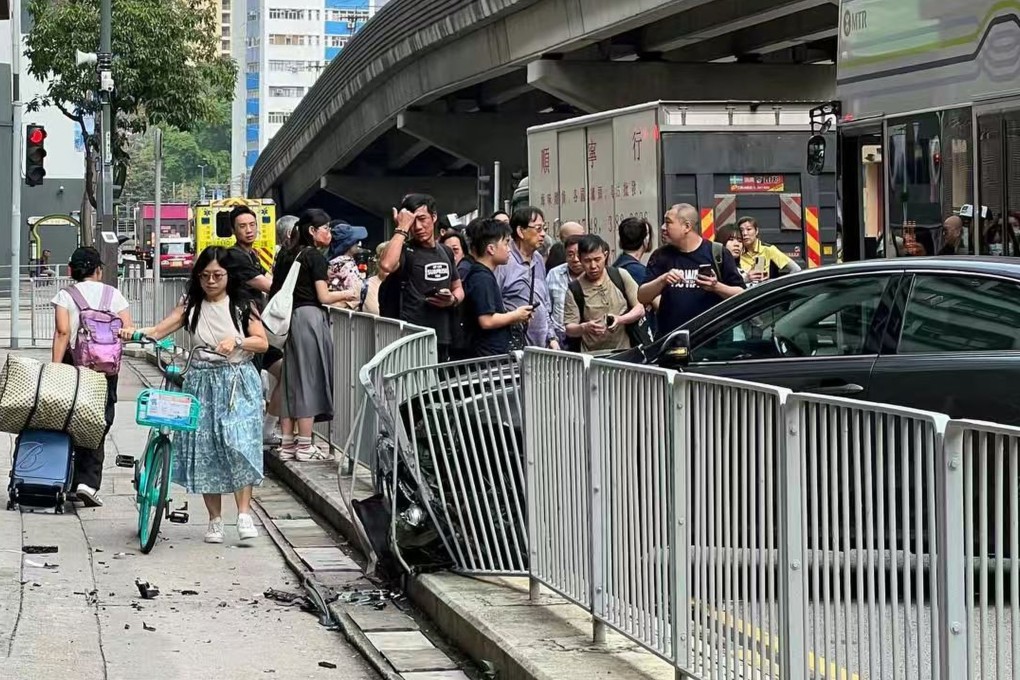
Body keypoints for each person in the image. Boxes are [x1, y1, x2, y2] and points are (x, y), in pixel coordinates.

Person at [121, 246, 268, 543]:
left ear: (229, 276)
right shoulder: (191, 304)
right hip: (200, 380)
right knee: (204, 451)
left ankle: (243, 514)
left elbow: (261, 342)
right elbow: (160, 330)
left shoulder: (241, 304)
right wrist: (134, 332)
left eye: (217, 275)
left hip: (236, 380)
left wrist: (237, 341)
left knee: (239, 444)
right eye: (205, 276)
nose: (211, 281)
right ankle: (215, 520)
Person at [270, 209, 357, 460]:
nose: (329, 233)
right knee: (309, 379)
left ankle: (287, 444)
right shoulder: (314, 257)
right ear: (312, 231)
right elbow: (324, 297)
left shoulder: (286, 254)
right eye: (326, 228)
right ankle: (305, 444)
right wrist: (348, 294)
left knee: (291, 380)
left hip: (288, 321)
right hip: (309, 318)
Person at [50, 247, 133, 507]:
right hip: (107, 369)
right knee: (99, 422)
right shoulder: (114, 295)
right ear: (99, 270)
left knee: (69, 419)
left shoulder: (66, 295)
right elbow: (127, 330)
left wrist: (54, 368)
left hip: (75, 366)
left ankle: (68, 478)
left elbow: (63, 332)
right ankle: (88, 483)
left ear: (70, 271)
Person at [220, 205, 283, 449]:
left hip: (259, 331)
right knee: (252, 383)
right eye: (242, 226)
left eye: (252, 225)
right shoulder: (235, 256)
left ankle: (266, 429)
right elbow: (267, 286)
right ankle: (249, 435)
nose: (249, 230)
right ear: (234, 230)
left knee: (284, 372)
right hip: (245, 332)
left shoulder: (253, 254)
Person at [378, 194, 465, 362]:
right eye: (412, 222)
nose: (417, 227)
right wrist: (402, 227)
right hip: (410, 339)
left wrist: (452, 300)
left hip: (441, 337)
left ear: (434, 217)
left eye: (422, 219)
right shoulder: (405, 252)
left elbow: (458, 287)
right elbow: (386, 265)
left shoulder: (446, 252)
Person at [639, 203, 744, 337]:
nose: (663, 228)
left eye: (668, 223)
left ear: (687, 227)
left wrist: (716, 286)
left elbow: (741, 294)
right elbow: (642, 297)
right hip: (671, 343)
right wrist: (662, 280)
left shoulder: (717, 253)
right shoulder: (660, 256)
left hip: (712, 344)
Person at [461, 218, 533, 357]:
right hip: (486, 360)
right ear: (491, 249)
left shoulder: (484, 275)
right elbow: (486, 321)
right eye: (506, 243)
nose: (509, 249)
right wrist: (515, 315)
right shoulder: (481, 278)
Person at [563, 235, 645, 353]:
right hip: (592, 356)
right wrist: (585, 328)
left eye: (597, 259)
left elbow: (640, 308)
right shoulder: (575, 289)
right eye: (587, 261)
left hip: (624, 351)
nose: (593, 266)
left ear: (605, 256)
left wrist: (620, 319)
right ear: (580, 259)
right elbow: (569, 328)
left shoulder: (620, 276)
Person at [495, 207, 559, 350]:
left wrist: (552, 337)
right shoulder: (504, 261)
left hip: (542, 349)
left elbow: (543, 303)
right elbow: (495, 306)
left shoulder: (538, 259)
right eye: (538, 228)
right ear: (520, 231)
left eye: (544, 228)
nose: (543, 234)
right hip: (515, 350)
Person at [546, 234, 585, 348]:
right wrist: (551, 337)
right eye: (570, 255)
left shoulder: (594, 274)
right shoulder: (554, 274)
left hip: (586, 338)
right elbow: (547, 308)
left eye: (578, 254)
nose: (575, 259)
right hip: (560, 339)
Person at [327, 220, 368, 310]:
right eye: (356, 241)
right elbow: (356, 293)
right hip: (344, 314)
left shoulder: (332, 262)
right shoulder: (347, 265)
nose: (359, 244)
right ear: (347, 244)